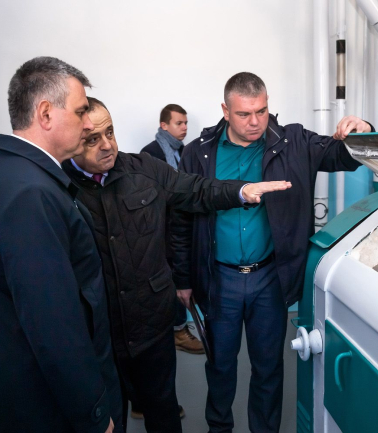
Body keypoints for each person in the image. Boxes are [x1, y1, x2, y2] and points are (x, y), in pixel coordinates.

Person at [61, 97, 291, 433]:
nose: (107, 145)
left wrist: (241, 191)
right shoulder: (58, 186)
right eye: (92, 139)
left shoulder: (144, 169)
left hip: (150, 327)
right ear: (70, 138)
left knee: (163, 415)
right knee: (107, 418)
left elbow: (196, 190)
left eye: (110, 132)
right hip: (98, 334)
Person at [172, 72, 374, 433]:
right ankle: (219, 428)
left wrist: (363, 129)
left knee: (268, 367)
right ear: (225, 111)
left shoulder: (292, 142)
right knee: (219, 366)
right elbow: (181, 218)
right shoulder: (198, 153)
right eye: (244, 114)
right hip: (219, 279)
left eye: (262, 111)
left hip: (269, 278)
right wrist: (183, 279)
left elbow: (344, 155)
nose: (255, 122)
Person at [0, 57, 122, 433]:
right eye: (81, 111)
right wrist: (94, 414)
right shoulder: (29, 194)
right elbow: (53, 325)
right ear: (46, 113)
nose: (89, 124)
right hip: (52, 411)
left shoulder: (13, 175)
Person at [141, 104, 204, 356]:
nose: (185, 128)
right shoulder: (151, 153)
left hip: (182, 224)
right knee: (172, 279)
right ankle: (178, 331)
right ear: (164, 125)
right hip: (163, 229)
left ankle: (182, 327)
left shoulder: (185, 151)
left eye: (186, 123)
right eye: (179, 123)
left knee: (183, 274)